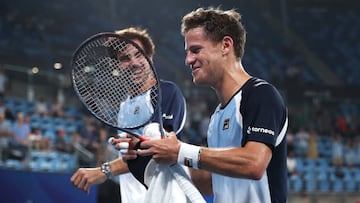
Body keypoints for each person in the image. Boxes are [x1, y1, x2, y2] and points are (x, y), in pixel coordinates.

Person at [137, 7, 288, 203]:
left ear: (226, 45)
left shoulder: (260, 94)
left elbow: (254, 163)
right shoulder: (217, 115)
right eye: (188, 52)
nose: (188, 60)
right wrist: (158, 157)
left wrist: (180, 151)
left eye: (195, 50)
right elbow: (210, 182)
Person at [71, 27, 188, 203]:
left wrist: (103, 170)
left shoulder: (165, 92)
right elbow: (130, 157)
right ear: (116, 65)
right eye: (125, 58)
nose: (134, 62)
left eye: (139, 54)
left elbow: (160, 149)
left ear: (150, 57)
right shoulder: (124, 107)